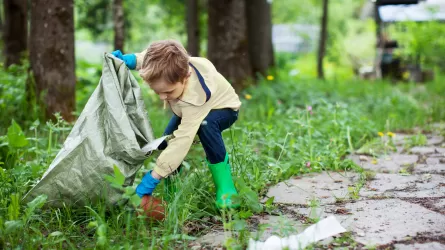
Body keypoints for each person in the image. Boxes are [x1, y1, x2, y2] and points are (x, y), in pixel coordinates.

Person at [111, 40, 241, 209]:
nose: (162, 98)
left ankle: (226, 189)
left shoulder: (197, 96)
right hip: (185, 108)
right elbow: (153, 59)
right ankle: (173, 189)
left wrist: (154, 176)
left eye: (168, 92)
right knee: (166, 141)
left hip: (224, 109)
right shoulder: (173, 68)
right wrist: (132, 60)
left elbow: (181, 143)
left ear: (185, 77)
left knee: (205, 126)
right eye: (157, 92)